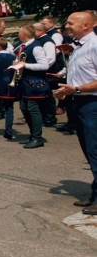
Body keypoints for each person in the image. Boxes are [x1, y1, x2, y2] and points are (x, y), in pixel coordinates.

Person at [53, 12, 97, 212]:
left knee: (94, 150)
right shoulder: (77, 47)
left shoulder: (95, 46)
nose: (66, 26)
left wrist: (77, 89)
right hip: (79, 102)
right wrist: (67, 91)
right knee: (89, 150)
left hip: (92, 103)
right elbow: (80, 75)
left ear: (86, 25)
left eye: (71, 23)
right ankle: (95, 194)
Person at [14, 24, 50, 149]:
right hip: (25, 83)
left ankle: (37, 137)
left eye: (19, 33)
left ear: (24, 34)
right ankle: (32, 134)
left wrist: (25, 65)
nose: (18, 35)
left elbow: (44, 65)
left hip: (34, 83)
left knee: (33, 109)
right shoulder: (24, 46)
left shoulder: (36, 47)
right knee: (24, 108)